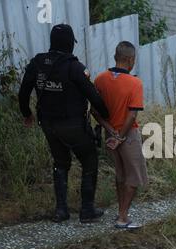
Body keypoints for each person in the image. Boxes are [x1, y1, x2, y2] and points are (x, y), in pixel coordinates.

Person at [18, 24, 110, 224]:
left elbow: (23, 92)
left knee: (60, 163)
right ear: (70, 43)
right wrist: (106, 115)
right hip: (73, 125)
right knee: (89, 159)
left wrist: (27, 114)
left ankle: (61, 211)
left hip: (48, 125)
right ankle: (87, 210)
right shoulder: (75, 67)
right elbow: (92, 95)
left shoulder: (37, 63)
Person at [93, 41, 148, 230]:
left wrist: (110, 131)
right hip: (128, 135)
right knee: (133, 176)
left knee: (120, 174)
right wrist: (120, 137)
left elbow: (95, 111)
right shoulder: (135, 83)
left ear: (116, 56)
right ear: (130, 60)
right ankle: (123, 217)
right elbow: (132, 114)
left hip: (110, 134)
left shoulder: (100, 79)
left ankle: (121, 212)